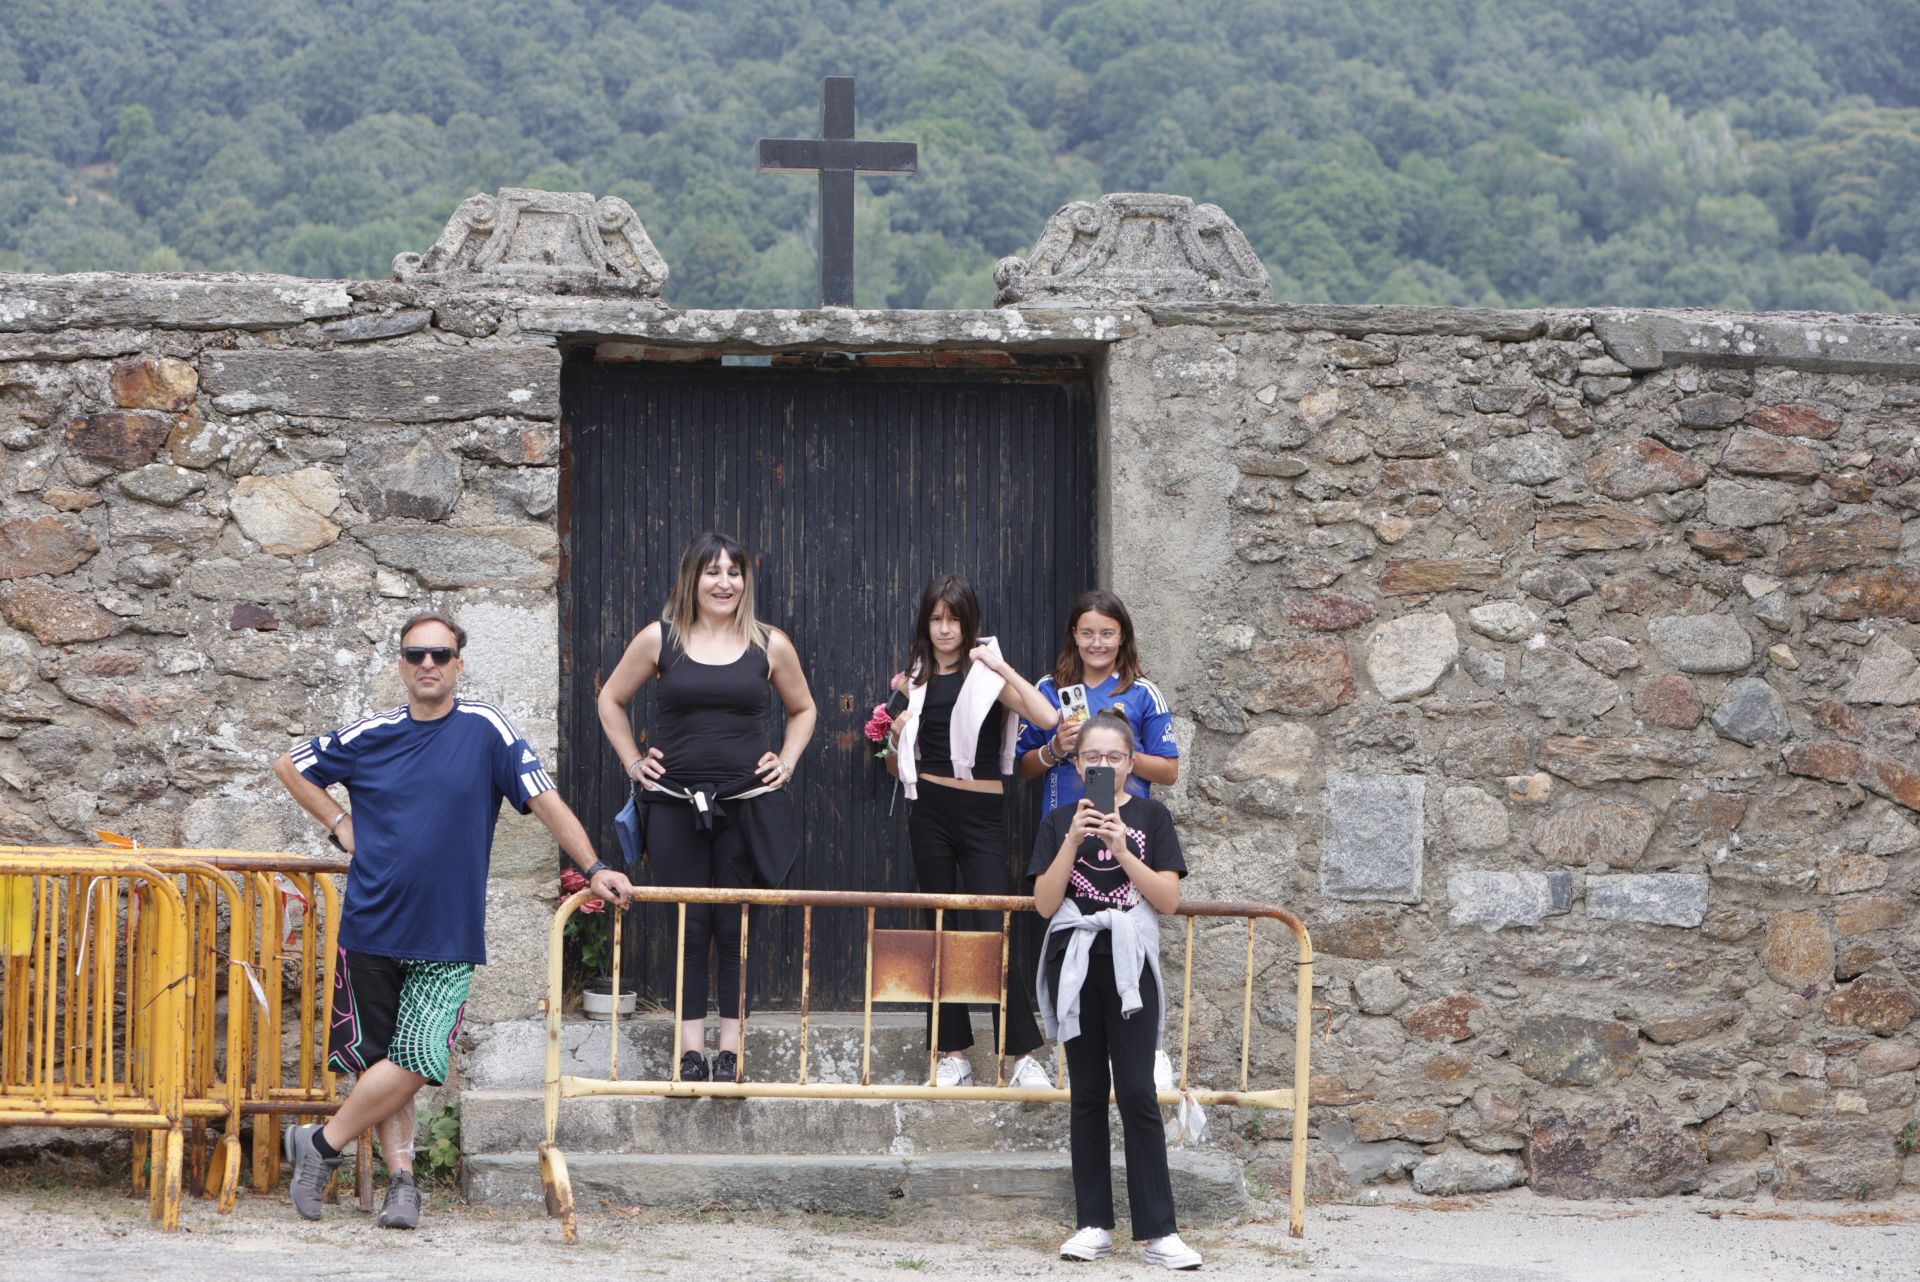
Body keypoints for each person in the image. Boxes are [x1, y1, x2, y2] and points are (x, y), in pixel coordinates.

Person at [272, 613, 633, 1228]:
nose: (428, 664)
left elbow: (545, 800)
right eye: (416, 654)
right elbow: (290, 765)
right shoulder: (372, 733)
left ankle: (320, 1143)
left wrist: (594, 866)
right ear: (401, 665)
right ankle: (402, 1184)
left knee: (418, 1056)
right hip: (371, 923)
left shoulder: (485, 729)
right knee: (380, 1061)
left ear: (459, 664)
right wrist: (339, 823)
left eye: (440, 654)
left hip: (447, 930)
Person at [596, 532, 816, 1084]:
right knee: (689, 925)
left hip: (747, 806)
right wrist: (632, 762)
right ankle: (691, 1052)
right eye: (712, 572)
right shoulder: (660, 638)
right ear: (692, 578)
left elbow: (804, 709)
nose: (724, 583)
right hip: (674, 805)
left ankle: (730, 1053)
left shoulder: (769, 644)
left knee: (735, 925)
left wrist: (786, 763)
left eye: (734, 572)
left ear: (745, 581)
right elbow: (610, 700)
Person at [1030, 710, 1200, 1270]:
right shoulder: (1060, 820)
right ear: (1077, 765)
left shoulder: (1152, 816)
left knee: (1136, 1092)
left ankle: (1160, 1231)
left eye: (1114, 757)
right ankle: (1093, 1225)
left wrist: (1124, 849)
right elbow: (1045, 903)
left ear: (1130, 763)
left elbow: (1168, 901)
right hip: (1077, 963)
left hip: (1132, 965)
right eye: (1092, 757)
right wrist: (1073, 841)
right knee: (1085, 1095)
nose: (1103, 765)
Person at [884, 574, 1060, 1089]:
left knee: (991, 926)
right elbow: (895, 767)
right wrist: (895, 739)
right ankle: (953, 1052)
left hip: (981, 813)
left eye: (954, 619)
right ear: (925, 623)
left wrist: (1000, 664)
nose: (945, 629)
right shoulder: (912, 682)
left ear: (969, 624)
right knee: (939, 926)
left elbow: (1047, 716)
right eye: (936, 619)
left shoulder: (986, 677)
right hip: (928, 810)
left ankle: (1022, 1056)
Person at [1016, 590, 1179, 816]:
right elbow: (1024, 769)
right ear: (1075, 635)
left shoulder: (1143, 693)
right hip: (1062, 820)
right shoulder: (1048, 688)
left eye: (1107, 633)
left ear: (1122, 637)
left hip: (1125, 822)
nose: (1096, 643)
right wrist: (1056, 748)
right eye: (1087, 633)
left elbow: (1169, 773)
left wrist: (1115, 752)